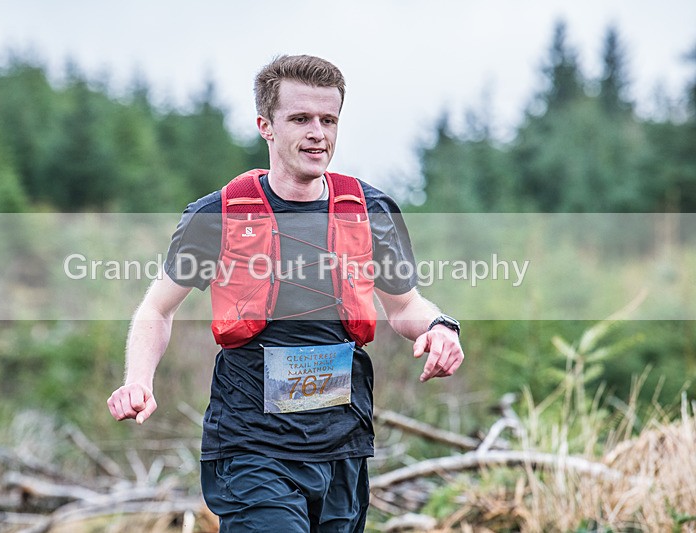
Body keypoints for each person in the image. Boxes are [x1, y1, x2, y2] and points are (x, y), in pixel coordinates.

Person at [107, 54, 464, 532]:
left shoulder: (370, 209)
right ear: (266, 127)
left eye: (328, 119)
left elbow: (404, 306)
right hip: (250, 448)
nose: (318, 132)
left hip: (342, 446)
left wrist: (439, 327)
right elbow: (158, 306)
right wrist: (139, 380)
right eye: (301, 119)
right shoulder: (218, 215)